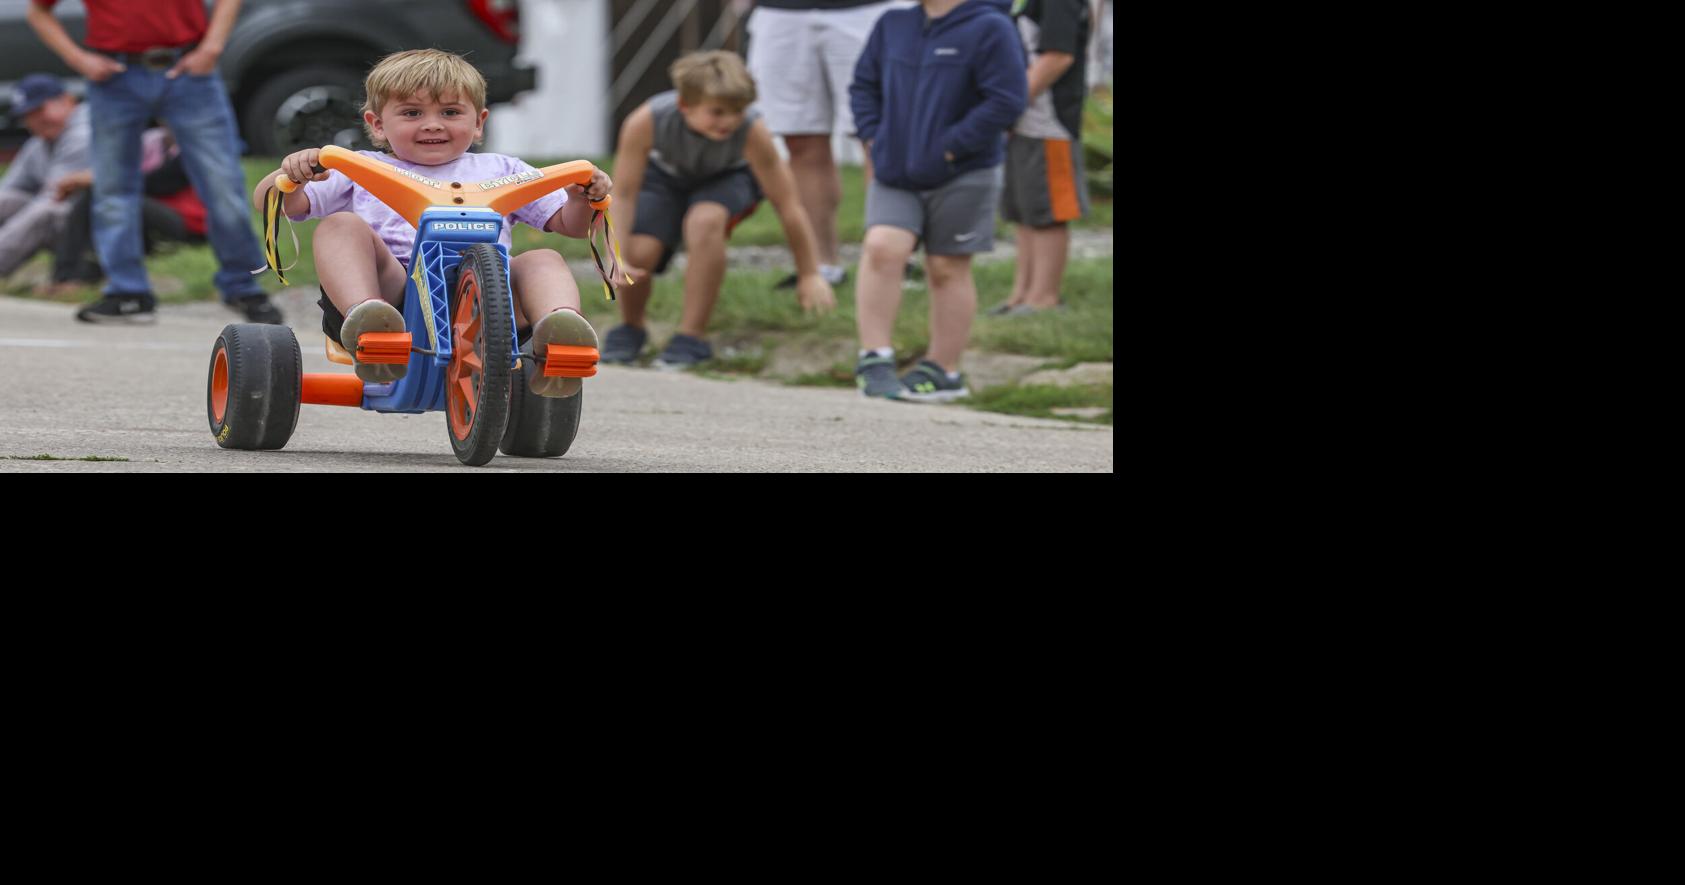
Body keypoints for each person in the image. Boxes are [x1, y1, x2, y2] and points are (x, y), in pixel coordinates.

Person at [260, 49, 611, 398]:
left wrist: (581, 198)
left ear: (478, 123)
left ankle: (561, 334)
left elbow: (571, 225)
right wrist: (294, 175)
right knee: (341, 226)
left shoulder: (504, 170)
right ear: (378, 125)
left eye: (450, 112)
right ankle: (367, 318)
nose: (432, 123)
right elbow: (274, 204)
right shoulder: (359, 167)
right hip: (395, 294)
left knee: (542, 259)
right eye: (412, 112)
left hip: (490, 307)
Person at [26, 0, 284, 326]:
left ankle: (244, 286)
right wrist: (78, 59)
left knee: (222, 184)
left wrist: (212, 47)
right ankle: (128, 292)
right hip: (114, 76)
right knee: (112, 190)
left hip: (188, 68)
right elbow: (38, 11)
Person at [603, 50, 835, 368]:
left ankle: (691, 336)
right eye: (718, 112)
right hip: (667, 177)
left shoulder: (752, 131)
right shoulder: (646, 121)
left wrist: (809, 273)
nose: (730, 121)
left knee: (705, 220)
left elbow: (789, 205)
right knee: (640, 251)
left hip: (730, 176)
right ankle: (631, 327)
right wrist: (617, 255)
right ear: (685, 105)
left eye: (738, 110)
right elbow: (625, 194)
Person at [849, 0, 1026, 401]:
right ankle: (875, 357)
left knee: (946, 266)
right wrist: (875, 137)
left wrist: (948, 148)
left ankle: (944, 370)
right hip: (895, 169)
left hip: (964, 171)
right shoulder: (893, 23)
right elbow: (863, 85)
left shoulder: (991, 27)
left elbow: (1007, 100)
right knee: (882, 247)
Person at [746, 0, 913, 290]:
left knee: (881, 138)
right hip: (782, 12)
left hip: (869, 9)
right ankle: (819, 267)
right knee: (799, 138)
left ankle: (892, 258)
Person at [990, 0, 1091, 316]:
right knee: (1024, 209)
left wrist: (1011, 104)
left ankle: (1044, 297)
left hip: (1049, 121)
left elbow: (1058, 57)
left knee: (1047, 211)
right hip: (1023, 122)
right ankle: (1021, 294)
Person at [52, 126, 208, 291]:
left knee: (100, 195)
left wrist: (100, 180)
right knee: (102, 203)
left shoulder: (197, 147)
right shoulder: (153, 141)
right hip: (152, 212)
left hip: (188, 223)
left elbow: (161, 183)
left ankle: (66, 276)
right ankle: (76, 276)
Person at [0, 74, 90, 286]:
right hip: (64, 219)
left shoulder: (84, 132)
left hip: (95, 223)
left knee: (44, 212)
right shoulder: (39, 142)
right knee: (6, 200)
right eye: (27, 115)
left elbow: (53, 199)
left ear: (68, 100)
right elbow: (8, 190)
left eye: (40, 110)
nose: (34, 121)